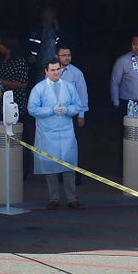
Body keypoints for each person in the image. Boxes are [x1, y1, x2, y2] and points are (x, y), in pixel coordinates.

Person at [27, 57, 82, 210]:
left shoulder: (69, 87)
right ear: (46, 71)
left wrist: (68, 110)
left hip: (66, 131)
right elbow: (32, 109)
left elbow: (77, 105)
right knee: (50, 166)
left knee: (69, 166)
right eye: (53, 70)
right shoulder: (39, 88)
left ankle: (72, 199)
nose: (56, 72)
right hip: (48, 132)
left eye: (58, 69)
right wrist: (50, 110)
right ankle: (54, 199)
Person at [0, 34, 31, 169]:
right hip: (0, 103)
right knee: (2, 134)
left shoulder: (19, 61)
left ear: (8, 46)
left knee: (18, 135)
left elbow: (23, 83)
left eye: (1, 44)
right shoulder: (1, 60)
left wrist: (0, 82)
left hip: (16, 104)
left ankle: (22, 167)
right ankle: (2, 165)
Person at [56, 43, 88, 185]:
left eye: (69, 55)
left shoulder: (76, 73)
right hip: (56, 116)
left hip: (72, 115)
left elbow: (82, 95)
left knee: (73, 146)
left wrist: (81, 114)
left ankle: (75, 177)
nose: (67, 58)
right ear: (57, 56)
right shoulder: (52, 71)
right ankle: (59, 176)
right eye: (64, 55)